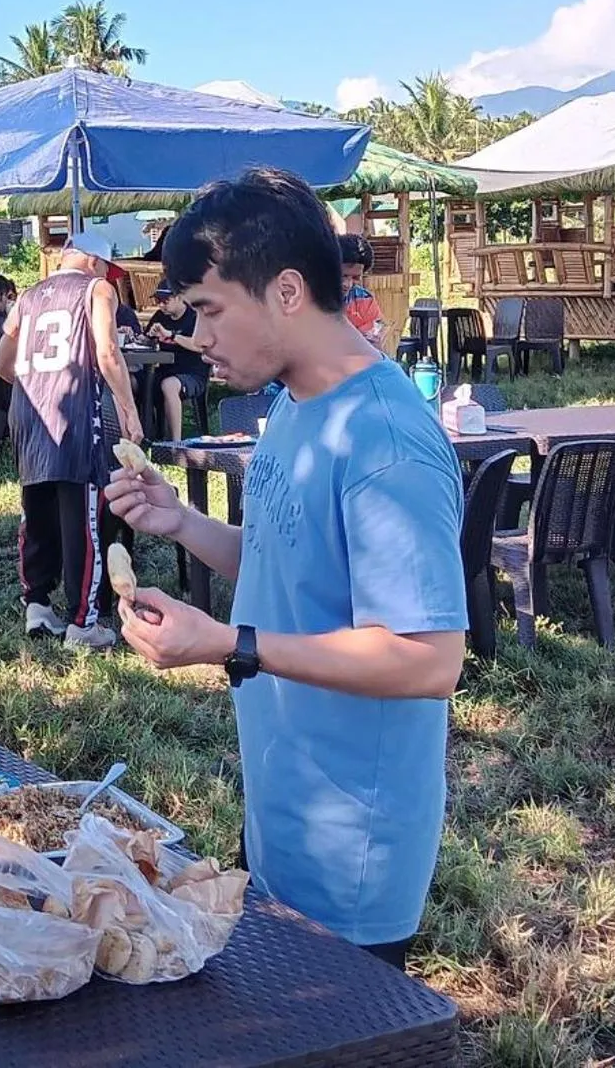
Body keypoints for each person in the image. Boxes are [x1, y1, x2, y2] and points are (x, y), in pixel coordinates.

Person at [105, 169, 466, 968]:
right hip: (285, 805)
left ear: (289, 291)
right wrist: (183, 523)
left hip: (354, 846)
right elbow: (288, 565)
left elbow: (430, 659)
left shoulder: (386, 438)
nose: (198, 337)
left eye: (209, 309)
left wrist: (232, 646)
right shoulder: (297, 408)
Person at [0, 231, 143, 650]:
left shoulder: (27, 295)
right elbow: (108, 352)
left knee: (36, 510)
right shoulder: (98, 290)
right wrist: (128, 410)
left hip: (28, 414)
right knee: (85, 517)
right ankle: (83, 623)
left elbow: (0, 362)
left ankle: (37, 605)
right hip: (76, 414)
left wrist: (34, 384)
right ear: (95, 262)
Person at [144, 283, 211, 441]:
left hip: (192, 373)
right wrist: (148, 337)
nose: (161, 305)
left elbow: (200, 346)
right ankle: (148, 437)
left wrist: (172, 335)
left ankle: (176, 444)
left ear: (179, 298)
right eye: (157, 301)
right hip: (163, 369)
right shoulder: (160, 316)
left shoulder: (194, 316)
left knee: (169, 385)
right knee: (139, 383)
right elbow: (146, 340)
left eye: (165, 300)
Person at [337, 233, 386, 348]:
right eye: (343, 276)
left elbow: (374, 339)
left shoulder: (365, 300)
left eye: (355, 278)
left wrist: (376, 342)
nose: (347, 284)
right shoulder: (311, 297)